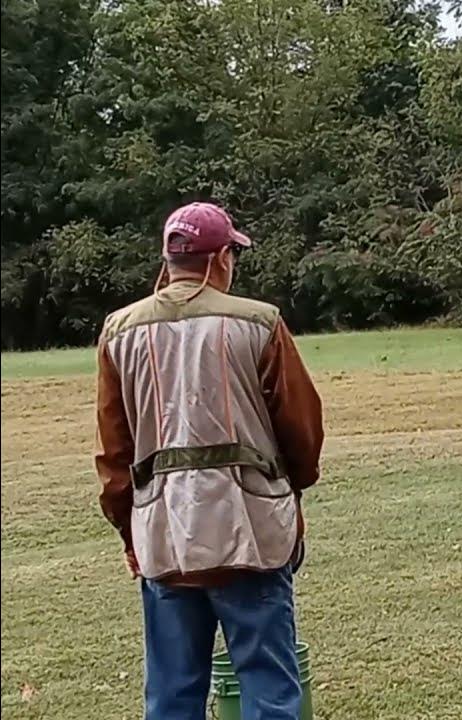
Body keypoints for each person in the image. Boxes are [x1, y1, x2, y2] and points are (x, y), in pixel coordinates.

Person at [93, 201, 325, 719]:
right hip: (252, 534)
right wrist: (294, 492)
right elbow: (302, 431)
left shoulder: (118, 332)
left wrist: (128, 529)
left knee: (173, 695)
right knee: (268, 690)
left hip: (164, 537)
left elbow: (114, 453)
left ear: (169, 259)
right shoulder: (260, 323)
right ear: (221, 258)